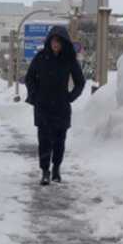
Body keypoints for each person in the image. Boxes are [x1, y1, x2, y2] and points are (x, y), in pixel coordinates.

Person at [25, 26, 85, 185]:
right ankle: (45, 171)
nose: (56, 44)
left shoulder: (69, 60)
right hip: (43, 106)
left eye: (59, 41)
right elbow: (29, 78)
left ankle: (56, 168)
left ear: (64, 43)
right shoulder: (40, 57)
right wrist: (35, 95)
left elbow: (80, 82)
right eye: (53, 41)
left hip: (61, 107)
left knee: (59, 141)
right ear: (49, 41)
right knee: (44, 141)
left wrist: (70, 97)